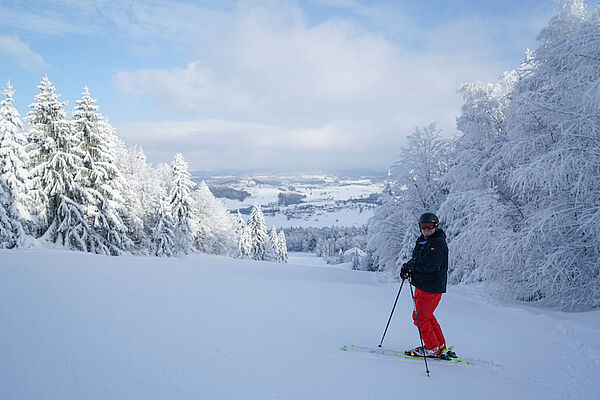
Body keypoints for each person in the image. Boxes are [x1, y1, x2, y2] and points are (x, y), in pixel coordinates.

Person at [400, 212, 454, 359]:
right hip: (422, 285)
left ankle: (431, 347)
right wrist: (408, 269)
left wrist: (410, 266)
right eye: (423, 226)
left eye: (429, 226)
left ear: (435, 226)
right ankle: (439, 345)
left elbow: (428, 265)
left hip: (431, 286)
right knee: (425, 316)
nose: (426, 229)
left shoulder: (438, 243)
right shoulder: (423, 240)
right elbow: (418, 260)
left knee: (420, 317)